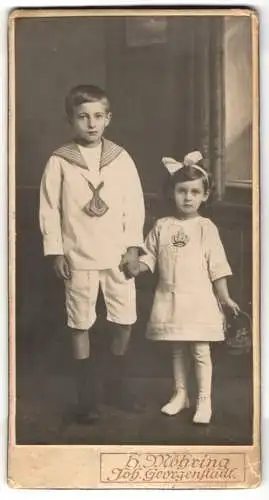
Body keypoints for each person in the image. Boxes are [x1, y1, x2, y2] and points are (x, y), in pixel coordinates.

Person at [39, 84, 145, 423]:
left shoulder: (120, 158)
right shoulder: (60, 161)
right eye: (83, 117)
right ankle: (87, 396)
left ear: (108, 118)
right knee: (80, 322)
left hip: (117, 257)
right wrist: (56, 252)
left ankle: (116, 384)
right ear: (70, 120)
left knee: (124, 320)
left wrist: (133, 247)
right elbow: (49, 209)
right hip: (78, 255)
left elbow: (134, 206)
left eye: (98, 116)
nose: (91, 123)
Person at [135, 151, 240, 424]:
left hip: (199, 299)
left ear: (205, 195)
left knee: (200, 350)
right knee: (176, 347)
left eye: (195, 192)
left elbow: (218, 265)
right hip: (170, 296)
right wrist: (137, 266)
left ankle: (204, 399)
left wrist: (225, 298)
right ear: (172, 193)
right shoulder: (162, 226)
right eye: (182, 191)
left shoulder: (206, 227)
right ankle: (181, 394)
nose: (188, 197)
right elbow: (149, 255)